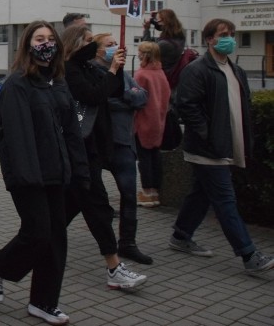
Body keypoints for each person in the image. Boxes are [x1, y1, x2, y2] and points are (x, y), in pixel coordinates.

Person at [0, 20, 89, 326]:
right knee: (38, 233)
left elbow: (72, 131)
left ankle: (44, 302)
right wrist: (28, 178)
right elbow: (16, 136)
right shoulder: (18, 84)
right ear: (28, 45)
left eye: (50, 38)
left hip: (57, 174)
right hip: (28, 176)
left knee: (56, 239)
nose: (46, 44)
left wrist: (80, 172)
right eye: (39, 38)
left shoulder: (58, 83)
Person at [169, 18, 274, 274]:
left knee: (201, 193)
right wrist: (207, 134)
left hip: (225, 145)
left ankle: (181, 236)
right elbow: (186, 104)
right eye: (223, 34)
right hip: (207, 149)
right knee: (225, 199)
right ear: (209, 39)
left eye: (232, 34)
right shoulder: (198, 69)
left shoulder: (234, 70)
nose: (229, 38)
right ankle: (249, 254)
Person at [60, 25, 149, 286]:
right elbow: (95, 95)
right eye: (88, 40)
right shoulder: (70, 70)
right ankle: (114, 266)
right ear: (75, 43)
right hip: (80, 150)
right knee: (97, 207)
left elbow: (113, 90)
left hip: (94, 147)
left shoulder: (87, 67)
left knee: (65, 212)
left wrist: (117, 68)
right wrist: (111, 71)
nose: (92, 44)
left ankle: (26, 251)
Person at [91, 33, 153, 265]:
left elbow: (142, 97)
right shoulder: (92, 72)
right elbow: (99, 100)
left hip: (123, 143)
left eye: (115, 44)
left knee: (129, 193)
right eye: (109, 45)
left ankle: (127, 243)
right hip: (99, 143)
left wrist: (125, 96)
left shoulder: (124, 74)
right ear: (97, 51)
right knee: (87, 197)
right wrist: (126, 99)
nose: (115, 48)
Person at [133, 42, 171, 207]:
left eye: (140, 52)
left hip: (143, 121)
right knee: (155, 156)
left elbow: (135, 99)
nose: (138, 54)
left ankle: (147, 193)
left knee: (144, 158)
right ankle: (156, 191)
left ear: (146, 55)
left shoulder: (142, 74)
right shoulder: (160, 72)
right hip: (159, 121)